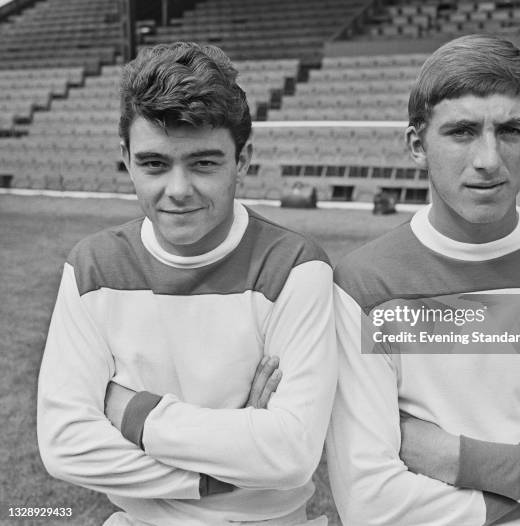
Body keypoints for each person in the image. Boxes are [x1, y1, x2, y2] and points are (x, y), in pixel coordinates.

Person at [37, 42, 336, 526]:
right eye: (155, 164)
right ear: (127, 159)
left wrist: (131, 412)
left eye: (203, 163)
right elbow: (64, 444)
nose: (178, 190)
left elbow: (292, 453)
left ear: (242, 160)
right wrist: (221, 472)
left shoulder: (296, 267)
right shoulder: (93, 266)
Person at [326, 34, 520, 525]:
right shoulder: (365, 285)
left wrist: (456, 457)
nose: (488, 160)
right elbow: (371, 506)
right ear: (417, 144)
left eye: (511, 131)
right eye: (462, 132)